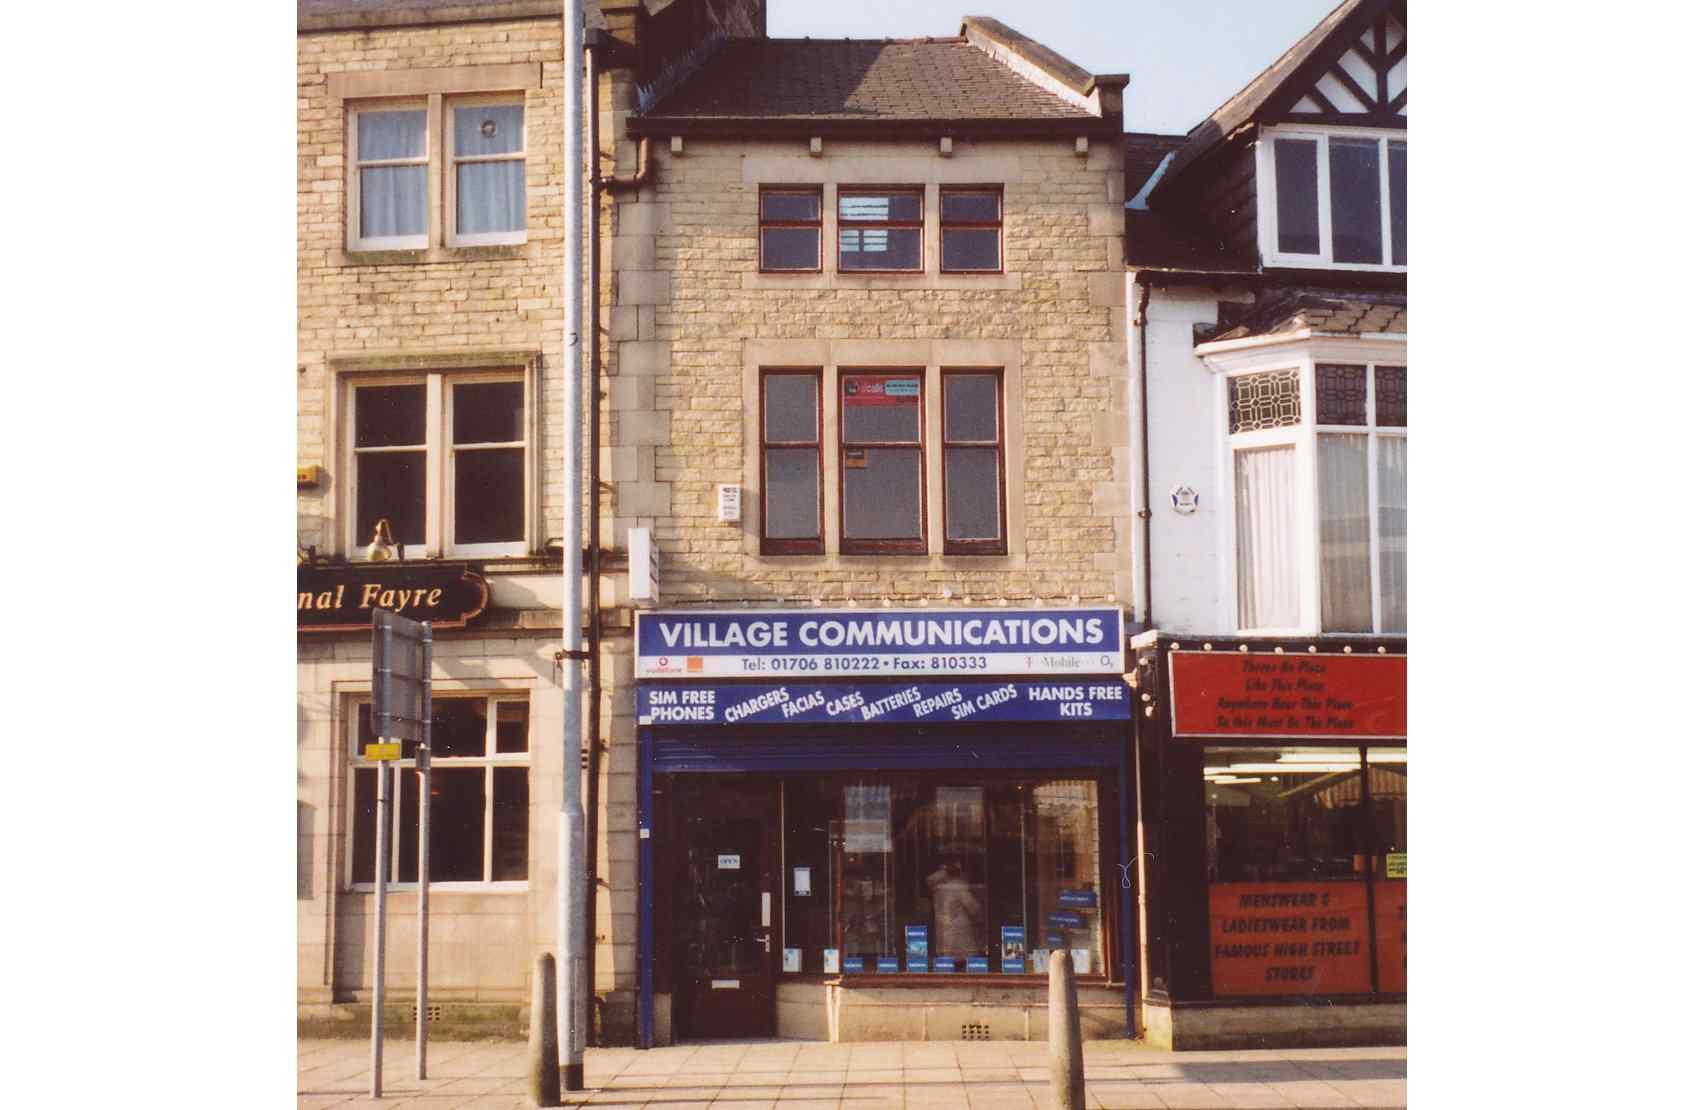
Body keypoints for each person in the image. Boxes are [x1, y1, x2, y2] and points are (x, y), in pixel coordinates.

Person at [926, 861, 981, 957]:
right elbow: (973, 907)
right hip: (959, 931)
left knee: (947, 959)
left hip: (943, 928)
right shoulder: (959, 886)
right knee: (963, 960)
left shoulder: (937, 887)